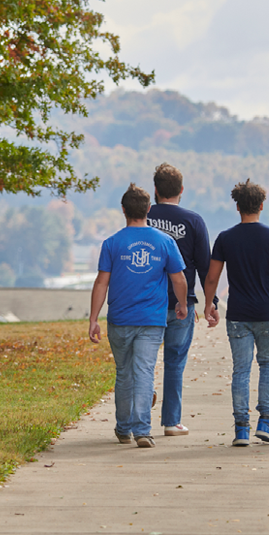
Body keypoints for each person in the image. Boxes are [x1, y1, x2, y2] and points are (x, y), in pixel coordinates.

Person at [203, 179, 269, 447]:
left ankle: (241, 430)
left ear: (237, 207)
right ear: (261, 205)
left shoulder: (225, 238)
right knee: (268, 364)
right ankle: (266, 422)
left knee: (241, 370)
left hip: (237, 313)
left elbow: (212, 278)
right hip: (267, 312)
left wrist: (208, 304)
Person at [89, 183, 189, 448]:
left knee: (124, 373)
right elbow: (178, 278)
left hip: (120, 318)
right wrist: (182, 304)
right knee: (144, 372)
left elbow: (101, 283)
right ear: (148, 209)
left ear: (123, 209)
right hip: (151, 319)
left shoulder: (111, 243)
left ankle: (123, 428)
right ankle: (142, 430)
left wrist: (93, 319)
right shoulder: (165, 241)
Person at [146, 163, 217, 436]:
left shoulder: (144, 216)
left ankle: (146, 393)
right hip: (181, 303)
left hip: (147, 301)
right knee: (175, 361)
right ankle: (171, 422)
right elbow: (204, 266)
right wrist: (210, 303)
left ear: (155, 190)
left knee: (144, 358)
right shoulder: (194, 221)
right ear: (181, 190)